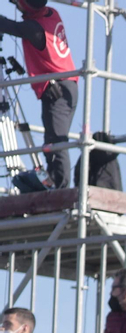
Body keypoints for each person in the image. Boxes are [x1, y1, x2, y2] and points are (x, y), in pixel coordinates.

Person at [0, 1, 76, 191]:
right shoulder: (50, 13)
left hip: (57, 88)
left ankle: (59, 186)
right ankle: (53, 181)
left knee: (56, 140)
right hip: (66, 85)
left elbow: (8, 26)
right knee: (52, 138)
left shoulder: (35, 29)